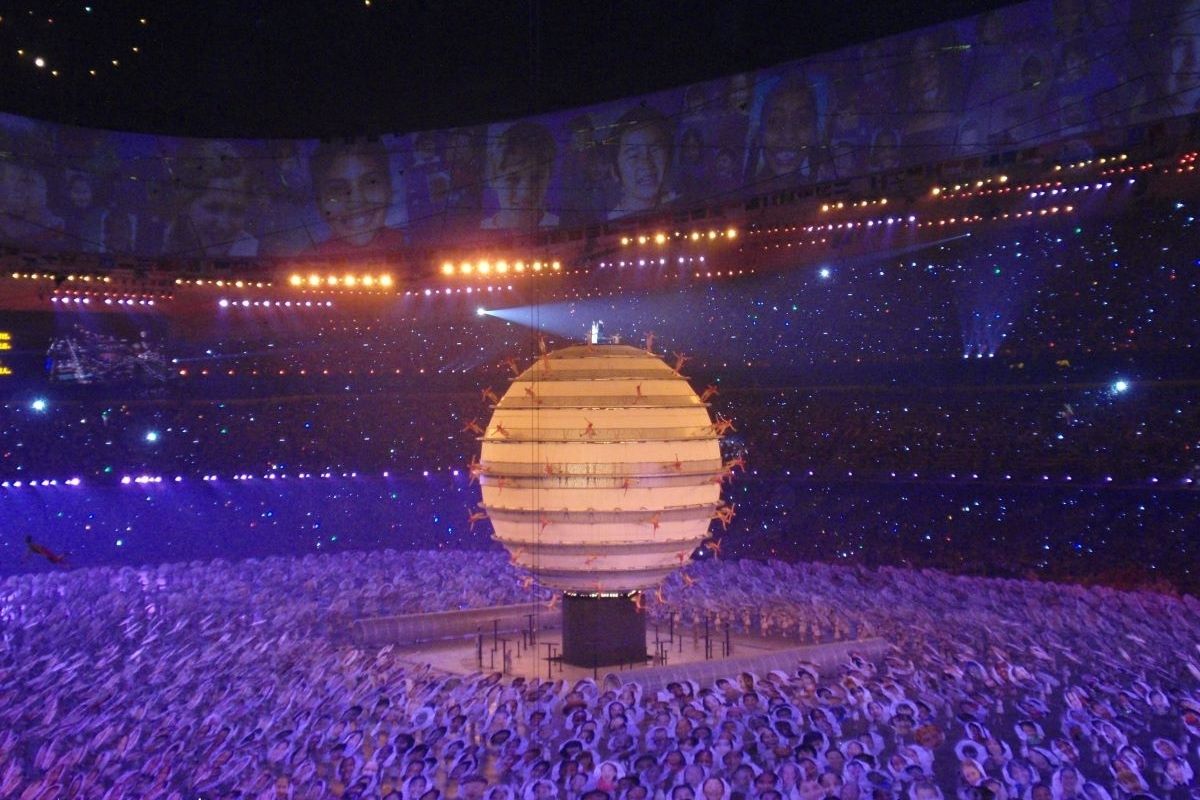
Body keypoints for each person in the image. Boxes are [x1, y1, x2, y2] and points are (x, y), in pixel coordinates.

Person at [307, 141, 404, 256]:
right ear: (320, 204)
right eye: (337, 189)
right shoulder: (307, 260)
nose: (356, 202)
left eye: (370, 182)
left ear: (389, 190)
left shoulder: (408, 243)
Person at [482, 121, 558, 231]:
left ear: (549, 177)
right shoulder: (474, 234)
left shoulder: (564, 224)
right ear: (493, 179)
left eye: (536, 178)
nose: (525, 194)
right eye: (512, 179)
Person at [607, 106, 675, 220]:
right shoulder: (609, 223)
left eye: (654, 149)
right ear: (615, 171)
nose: (646, 164)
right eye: (633, 156)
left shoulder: (686, 201)